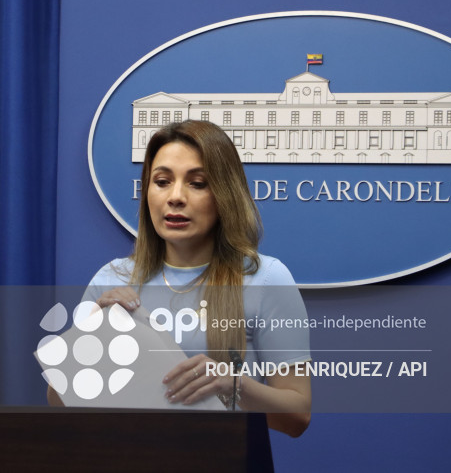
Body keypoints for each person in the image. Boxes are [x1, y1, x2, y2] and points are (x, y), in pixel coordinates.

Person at [49, 120, 311, 437]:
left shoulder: (266, 279)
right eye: (162, 181)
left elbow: (297, 416)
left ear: (224, 194)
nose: (175, 197)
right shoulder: (112, 279)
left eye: (197, 183)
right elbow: (60, 404)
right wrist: (90, 339)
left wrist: (233, 385)